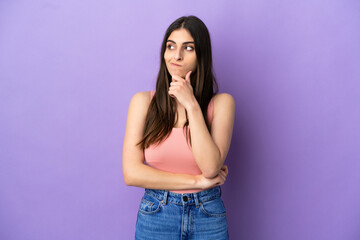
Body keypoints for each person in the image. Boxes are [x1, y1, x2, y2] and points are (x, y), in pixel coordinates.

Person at [122, 15, 235, 240]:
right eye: (170, 46)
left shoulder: (222, 104)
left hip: (207, 214)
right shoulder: (142, 102)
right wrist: (196, 181)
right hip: (157, 213)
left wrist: (191, 104)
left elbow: (211, 167)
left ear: (201, 55)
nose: (177, 56)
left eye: (188, 48)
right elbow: (131, 173)